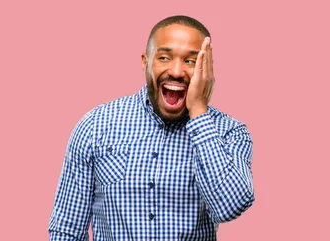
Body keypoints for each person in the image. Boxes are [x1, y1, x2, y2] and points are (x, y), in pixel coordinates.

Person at [48, 15, 255, 241]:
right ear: (145, 62)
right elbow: (66, 229)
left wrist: (198, 111)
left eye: (190, 61)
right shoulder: (96, 126)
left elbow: (230, 207)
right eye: (164, 57)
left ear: (206, 71)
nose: (176, 71)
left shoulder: (230, 133)